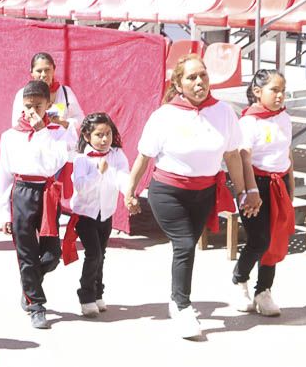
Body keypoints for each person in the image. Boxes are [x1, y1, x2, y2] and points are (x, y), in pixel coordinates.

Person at [126, 54, 260, 340]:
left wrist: (243, 191)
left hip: (205, 193)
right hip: (168, 192)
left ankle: (178, 299)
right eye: (191, 77)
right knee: (185, 244)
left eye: (203, 75)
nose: (199, 82)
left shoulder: (223, 112)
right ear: (179, 83)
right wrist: (131, 191)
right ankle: (183, 305)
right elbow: (144, 157)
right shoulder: (164, 115)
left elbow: (233, 155)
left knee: (187, 246)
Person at [0, 80, 74, 330]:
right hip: (22, 193)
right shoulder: (10, 136)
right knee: (26, 252)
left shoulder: (58, 133)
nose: (32, 112)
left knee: (51, 255)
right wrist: (3, 213)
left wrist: (42, 131)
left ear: (48, 105)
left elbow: (53, 164)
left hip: (47, 191)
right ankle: (36, 304)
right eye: (28, 106)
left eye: (38, 106)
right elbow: (4, 174)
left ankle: (29, 284)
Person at [231, 69, 295, 318]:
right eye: (274, 90)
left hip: (279, 184)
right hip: (254, 184)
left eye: (282, 90)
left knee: (276, 239)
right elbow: (243, 157)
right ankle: (240, 280)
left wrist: (290, 188)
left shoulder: (284, 118)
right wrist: (251, 191)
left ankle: (264, 291)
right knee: (259, 239)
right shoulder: (249, 121)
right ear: (258, 92)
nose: (280, 96)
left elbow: (287, 153)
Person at [71, 112, 128, 318]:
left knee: (101, 255)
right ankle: (85, 296)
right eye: (99, 135)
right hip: (85, 215)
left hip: (106, 213)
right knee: (93, 254)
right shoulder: (81, 159)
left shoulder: (117, 155)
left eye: (108, 134)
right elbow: (80, 187)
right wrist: (98, 173)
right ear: (87, 136)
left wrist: (129, 194)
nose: (104, 140)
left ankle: (97, 293)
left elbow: (123, 176)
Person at [7, 52, 84, 143]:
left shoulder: (65, 92)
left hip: (62, 147)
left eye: (47, 70)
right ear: (31, 72)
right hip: (33, 146)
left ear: (54, 70)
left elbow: (81, 119)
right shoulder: (22, 94)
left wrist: (63, 123)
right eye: (39, 71)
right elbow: (16, 124)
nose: (43, 75)